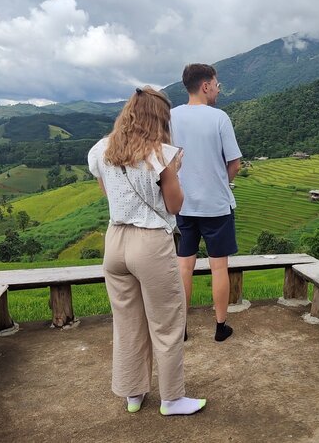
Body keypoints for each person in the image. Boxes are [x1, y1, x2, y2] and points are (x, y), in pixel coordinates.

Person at [88, 86, 206, 416]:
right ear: (160, 119)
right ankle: (172, 399)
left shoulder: (101, 150)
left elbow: (108, 195)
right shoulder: (162, 155)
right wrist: (174, 174)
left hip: (115, 241)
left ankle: (133, 393)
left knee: (127, 322)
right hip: (151, 242)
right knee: (167, 322)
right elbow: (175, 204)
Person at [171, 64, 242, 342]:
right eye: (217, 84)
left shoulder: (170, 117)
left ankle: (182, 329)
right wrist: (219, 183)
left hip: (183, 205)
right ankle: (220, 326)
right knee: (218, 267)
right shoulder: (219, 118)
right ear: (205, 86)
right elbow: (234, 163)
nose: (218, 89)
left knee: (184, 266)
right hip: (216, 206)